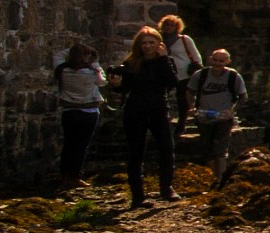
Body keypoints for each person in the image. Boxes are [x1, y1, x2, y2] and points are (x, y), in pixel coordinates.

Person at [116, 26, 177, 207]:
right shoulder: (132, 63)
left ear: (159, 44)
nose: (148, 46)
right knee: (136, 152)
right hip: (136, 110)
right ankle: (138, 195)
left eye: (151, 42)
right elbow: (124, 88)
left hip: (158, 109)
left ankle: (166, 188)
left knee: (166, 148)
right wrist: (115, 84)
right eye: (144, 43)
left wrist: (164, 59)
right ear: (139, 45)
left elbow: (172, 83)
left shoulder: (165, 61)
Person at [186, 48, 249, 187]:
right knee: (207, 149)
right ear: (210, 59)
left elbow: (243, 96)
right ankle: (211, 180)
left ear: (228, 62)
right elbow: (190, 92)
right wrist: (191, 106)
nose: (218, 64)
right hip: (204, 117)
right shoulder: (200, 75)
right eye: (215, 60)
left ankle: (220, 181)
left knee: (220, 150)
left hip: (223, 118)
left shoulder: (233, 76)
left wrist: (231, 110)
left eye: (221, 61)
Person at [51, 43, 105, 186]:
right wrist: (94, 60)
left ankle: (64, 175)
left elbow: (57, 55)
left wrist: (74, 50)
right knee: (81, 146)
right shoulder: (91, 72)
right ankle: (75, 176)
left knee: (68, 144)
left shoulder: (62, 70)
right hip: (89, 112)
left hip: (69, 111)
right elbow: (102, 82)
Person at [158, 13, 203, 128]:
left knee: (182, 98)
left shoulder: (184, 39)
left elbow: (195, 55)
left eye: (172, 25)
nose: (169, 27)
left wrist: (197, 69)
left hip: (184, 72)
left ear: (177, 27)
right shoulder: (159, 40)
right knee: (162, 96)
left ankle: (182, 122)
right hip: (166, 71)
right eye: (167, 25)